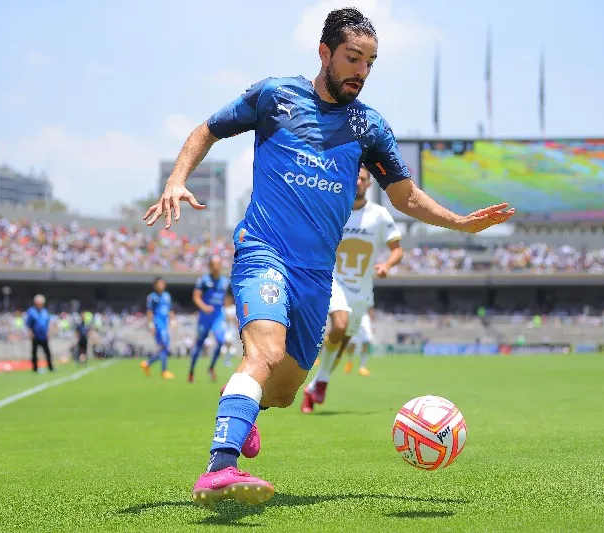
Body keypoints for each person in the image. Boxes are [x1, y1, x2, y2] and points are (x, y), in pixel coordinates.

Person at [143, 7, 514, 508]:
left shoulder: (369, 127)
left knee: (282, 391)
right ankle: (219, 467)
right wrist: (176, 179)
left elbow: (403, 195)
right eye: (352, 58)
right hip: (264, 251)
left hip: (317, 277)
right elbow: (207, 129)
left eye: (370, 62)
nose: (361, 71)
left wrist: (461, 222)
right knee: (265, 353)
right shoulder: (275, 97)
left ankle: (246, 413)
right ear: (325, 54)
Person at [301, 166, 402, 414]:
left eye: (363, 179)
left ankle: (316, 385)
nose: (357, 181)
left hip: (362, 290)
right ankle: (317, 380)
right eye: (354, 177)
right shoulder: (335, 210)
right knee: (340, 325)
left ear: (369, 185)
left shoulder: (378, 215)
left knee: (341, 343)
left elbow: (397, 249)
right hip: (336, 281)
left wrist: (387, 265)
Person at [188, 256, 231, 382]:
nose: (216, 266)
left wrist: (227, 309)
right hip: (205, 318)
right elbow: (196, 297)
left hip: (218, 317)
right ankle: (191, 372)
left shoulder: (224, 281)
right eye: (213, 264)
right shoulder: (204, 280)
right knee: (199, 344)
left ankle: (211, 367)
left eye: (218, 264)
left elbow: (225, 298)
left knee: (221, 340)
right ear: (210, 266)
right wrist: (204, 307)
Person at [141, 277, 176, 379]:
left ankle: (147, 364)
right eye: (159, 284)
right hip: (158, 324)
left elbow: (170, 309)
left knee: (164, 348)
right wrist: (151, 325)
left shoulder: (167, 295)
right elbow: (149, 311)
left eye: (162, 283)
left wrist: (173, 320)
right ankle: (163, 371)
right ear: (155, 285)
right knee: (164, 346)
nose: (161, 285)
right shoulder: (152, 297)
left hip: (165, 324)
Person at [26, 294, 54, 373]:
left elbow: (47, 323)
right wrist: (31, 333)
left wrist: (48, 332)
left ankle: (50, 367)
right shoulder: (31, 311)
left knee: (47, 352)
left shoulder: (45, 311)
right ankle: (35, 368)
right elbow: (29, 324)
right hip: (35, 335)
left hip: (44, 335)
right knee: (34, 352)